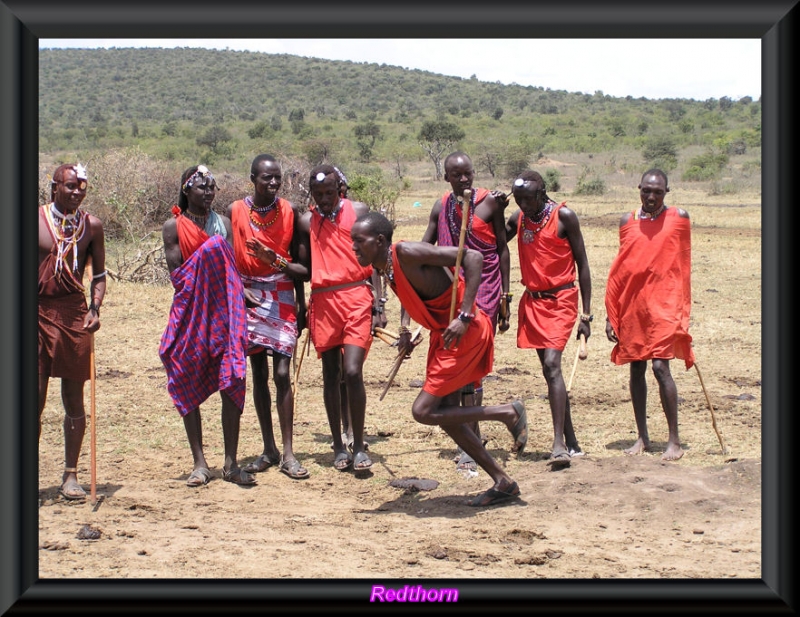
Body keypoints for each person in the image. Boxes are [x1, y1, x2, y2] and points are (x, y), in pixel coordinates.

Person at [350, 211, 528, 507]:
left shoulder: (405, 251)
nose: (353, 247)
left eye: (359, 241)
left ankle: (506, 412)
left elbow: (472, 258)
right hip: (443, 336)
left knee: (423, 410)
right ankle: (503, 481)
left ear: (380, 240)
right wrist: (407, 333)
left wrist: (465, 314)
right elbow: (419, 297)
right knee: (445, 415)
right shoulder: (384, 268)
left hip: (463, 331)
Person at [159, 165, 255, 486]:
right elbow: (179, 276)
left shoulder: (224, 224)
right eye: (201, 187)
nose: (209, 193)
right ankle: (199, 463)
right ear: (187, 190)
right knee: (187, 376)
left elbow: (233, 269)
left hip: (226, 313)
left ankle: (231, 462)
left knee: (232, 379)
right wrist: (211, 252)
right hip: (192, 313)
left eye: (212, 187)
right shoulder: (173, 227)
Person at [421, 151, 511, 472]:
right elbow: (426, 249)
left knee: (471, 371)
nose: (464, 180)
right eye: (457, 175)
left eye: (468, 174)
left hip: (483, 294)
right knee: (453, 369)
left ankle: (472, 443)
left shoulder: (490, 204)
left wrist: (506, 296)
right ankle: (469, 437)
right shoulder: (440, 206)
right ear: (446, 177)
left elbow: (502, 249)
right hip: (449, 297)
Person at [225, 154, 310, 480]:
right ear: (252, 179)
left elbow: (302, 270)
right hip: (247, 295)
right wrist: (236, 291)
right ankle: (269, 448)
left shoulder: (290, 212)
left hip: (282, 293)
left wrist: (299, 303)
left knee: (282, 372)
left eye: (277, 178)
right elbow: (229, 257)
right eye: (266, 178)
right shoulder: (235, 211)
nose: (273, 183)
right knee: (257, 372)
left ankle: (289, 452)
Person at [297, 164, 383, 472]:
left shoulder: (358, 210)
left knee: (353, 370)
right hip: (323, 301)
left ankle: (359, 445)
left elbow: (374, 258)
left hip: (357, 296)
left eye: (329, 193)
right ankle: (337, 444)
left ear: (340, 189)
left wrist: (379, 304)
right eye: (317, 194)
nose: (323, 199)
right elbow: (304, 268)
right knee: (330, 374)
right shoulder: (306, 221)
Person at [605, 169, 694, 461]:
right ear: (639, 188)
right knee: (636, 367)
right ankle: (642, 437)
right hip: (634, 303)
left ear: (667, 191)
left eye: (657, 192)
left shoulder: (680, 219)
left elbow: (681, 262)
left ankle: (674, 441)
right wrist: (612, 314)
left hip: (665, 303)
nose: (651, 197)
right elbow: (622, 267)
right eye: (646, 191)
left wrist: (681, 307)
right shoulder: (627, 221)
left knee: (660, 367)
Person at [502, 170, 591, 464]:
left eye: (528, 199)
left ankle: (557, 444)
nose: (524, 205)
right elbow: (496, 242)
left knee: (553, 365)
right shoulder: (520, 218)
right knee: (550, 372)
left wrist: (586, 315)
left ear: (542, 193)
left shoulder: (564, 217)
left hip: (562, 299)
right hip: (533, 302)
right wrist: (495, 211)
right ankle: (573, 440)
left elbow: (583, 265)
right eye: (519, 200)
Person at [39, 163, 106, 501]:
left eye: (82, 186)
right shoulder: (35, 220)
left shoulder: (91, 226)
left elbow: (98, 275)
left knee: (73, 397)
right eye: (70, 186)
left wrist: (94, 309)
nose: (77, 191)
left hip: (74, 314)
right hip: (36, 313)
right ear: (54, 188)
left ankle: (71, 475)